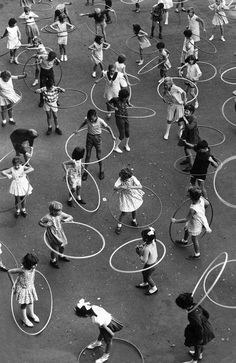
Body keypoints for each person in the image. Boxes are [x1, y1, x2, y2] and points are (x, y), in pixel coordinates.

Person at [74, 298, 123, 363]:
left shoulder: (95, 319)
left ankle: (105, 356)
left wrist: (110, 333)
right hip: (106, 320)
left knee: (108, 341)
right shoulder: (93, 307)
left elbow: (104, 327)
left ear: (86, 314)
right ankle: (98, 342)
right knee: (102, 332)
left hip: (108, 324)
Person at [171, 186, 212, 259]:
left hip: (196, 224)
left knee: (194, 238)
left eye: (188, 194)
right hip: (193, 220)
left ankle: (197, 254)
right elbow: (207, 203)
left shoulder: (193, 209)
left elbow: (186, 219)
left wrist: (175, 221)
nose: (187, 194)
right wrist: (201, 210)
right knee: (186, 228)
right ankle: (184, 241)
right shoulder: (201, 199)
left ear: (191, 197)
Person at [74, 109, 116, 181]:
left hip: (97, 138)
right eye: (89, 119)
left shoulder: (100, 121)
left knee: (99, 156)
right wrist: (77, 129)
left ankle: (101, 170)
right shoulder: (87, 119)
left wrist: (112, 135)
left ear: (96, 116)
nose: (91, 120)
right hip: (89, 138)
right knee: (87, 155)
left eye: (92, 119)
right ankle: (86, 172)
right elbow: (83, 123)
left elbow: (108, 127)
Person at [175, 292, 215, 363]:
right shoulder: (196, 305)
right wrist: (203, 321)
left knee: (197, 346)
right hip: (206, 327)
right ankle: (200, 355)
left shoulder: (192, 316)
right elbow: (207, 314)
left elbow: (199, 328)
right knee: (200, 345)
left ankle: (195, 360)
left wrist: (199, 339)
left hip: (201, 332)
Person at [8, 253, 39, 328]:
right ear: (28, 265)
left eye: (36, 264)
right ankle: (24, 318)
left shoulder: (32, 268)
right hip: (24, 290)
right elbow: (9, 271)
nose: (35, 266)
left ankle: (31, 314)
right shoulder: (22, 270)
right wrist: (13, 284)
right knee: (24, 304)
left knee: (31, 300)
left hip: (30, 287)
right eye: (33, 265)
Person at [39, 201, 73, 269]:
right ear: (52, 211)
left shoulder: (60, 214)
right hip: (52, 235)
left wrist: (65, 220)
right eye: (58, 211)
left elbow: (70, 217)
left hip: (60, 233)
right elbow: (40, 222)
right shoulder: (47, 217)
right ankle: (53, 260)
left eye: (60, 210)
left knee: (62, 246)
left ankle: (61, 256)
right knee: (54, 249)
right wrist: (46, 225)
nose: (60, 212)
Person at [114, 168, 144, 234]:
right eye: (126, 179)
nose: (128, 179)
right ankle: (119, 226)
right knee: (124, 212)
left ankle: (134, 220)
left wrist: (131, 187)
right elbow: (115, 187)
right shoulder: (120, 179)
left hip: (133, 195)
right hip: (125, 196)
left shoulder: (132, 178)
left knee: (134, 209)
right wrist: (121, 187)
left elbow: (140, 186)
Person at [107, 88, 132, 153]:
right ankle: (115, 147)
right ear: (121, 97)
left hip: (125, 116)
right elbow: (107, 103)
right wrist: (113, 108)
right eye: (125, 98)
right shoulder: (115, 99)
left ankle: (126, 145)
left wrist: (129, 104)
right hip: (119, 118)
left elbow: (127, 102)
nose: (126, 99)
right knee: (122, 134)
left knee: (127, 132)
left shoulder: (125, 99)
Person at [135, 227, 158, 295]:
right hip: (155, 261)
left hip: (150, 265)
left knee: (148, 276)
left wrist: (139, 253)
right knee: (144, 272)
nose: (142, 238)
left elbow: (144, 260)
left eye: (142, 237)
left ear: (146, 239)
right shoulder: (153, 241)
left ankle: (154, 288)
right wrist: (142, 245)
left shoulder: (147, 249)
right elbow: (152, 237)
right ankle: (145, 283)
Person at [177, 104, 200, 171]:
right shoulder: (185, 116)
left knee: (188, 149)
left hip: (193, 136)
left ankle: (191, 166)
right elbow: (180, 121)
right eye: (185, 110)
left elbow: (190, 127)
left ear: (191, 112)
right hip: (186, 134)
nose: (185, 112)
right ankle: (188, 159)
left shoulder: (194, 119)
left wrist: (185, 121)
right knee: (185, 148)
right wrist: (179, 122)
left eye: (187, 111)